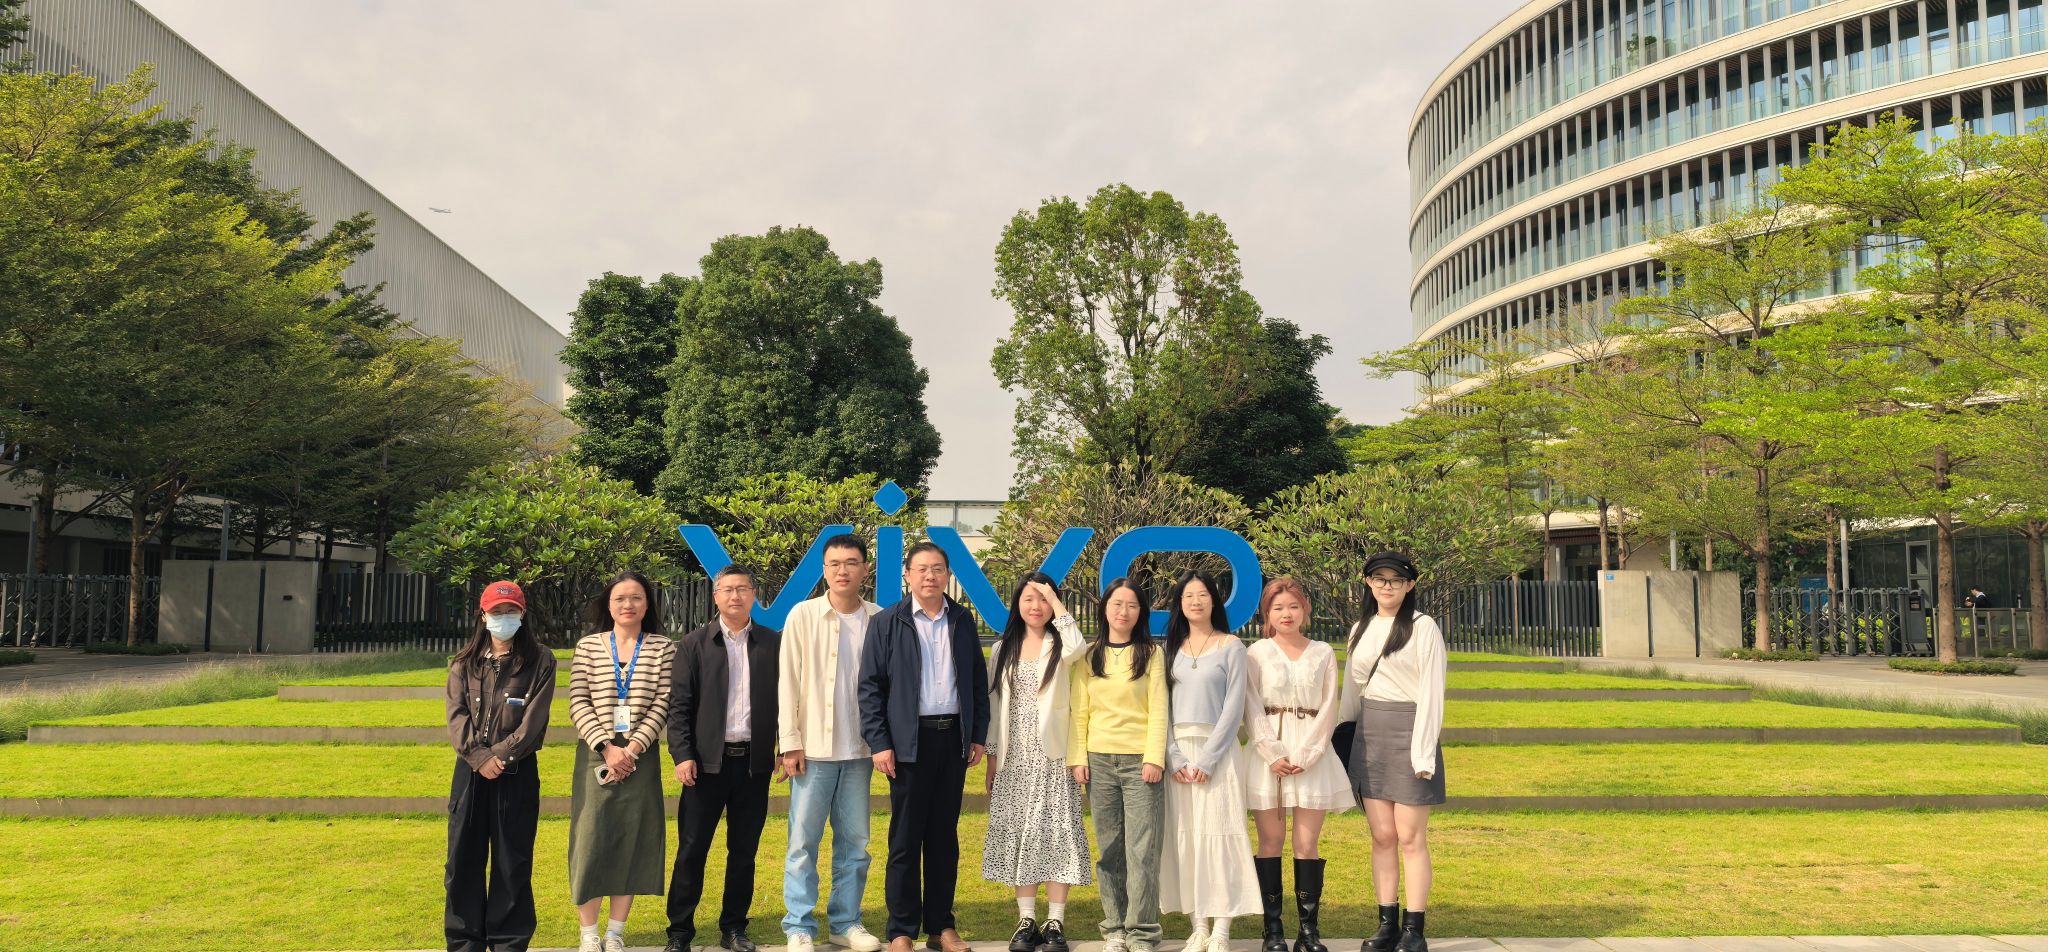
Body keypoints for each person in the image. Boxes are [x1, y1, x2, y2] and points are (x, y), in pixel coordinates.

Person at [858, 541, 990, 952]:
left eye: (937, 569)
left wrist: (977, 735)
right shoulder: (887, 622)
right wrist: (880, 742)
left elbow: (977, 682)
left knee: (943, 838)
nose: (930, 576)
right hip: (907, 744)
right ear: (908, 575)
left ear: (947, 574)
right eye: (922, 569)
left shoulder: (962, 620)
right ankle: (901, 929)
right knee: (904, 838)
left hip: (952, 740)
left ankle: (941, 927)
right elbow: (870, 688)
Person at [778, 534, 886, 952]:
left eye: (851, 563)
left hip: (859, 751)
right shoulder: (803, 615)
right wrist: (790, 741)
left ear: (865, 569)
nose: (843, 571)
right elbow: (788, 681)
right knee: (803, 843)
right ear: (824, 570)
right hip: (813, 751)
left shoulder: (879, 618)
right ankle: (798, 925)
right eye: (835, 563)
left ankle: (845, 922)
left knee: (855, 844)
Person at [665, 566, 781, 952]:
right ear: (716, 597)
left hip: (753, 765)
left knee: (744, 852)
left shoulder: (772, 643)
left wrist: (785, 747)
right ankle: (679, 932)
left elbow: (787, 701)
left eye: (742, 589)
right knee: (692, 850)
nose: (735, 596)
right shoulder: (694, 644)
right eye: (727, 590)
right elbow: (679, 707)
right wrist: (683, 755)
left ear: (754, 595)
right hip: (705, 766)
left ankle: (734, 928)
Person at [445, 580, 556, 952]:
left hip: (517, 772)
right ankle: (465, 942)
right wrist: (479, 758)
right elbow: (457, 716)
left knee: (512, 862)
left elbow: (534, 722)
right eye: (497, 611)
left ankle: (509, 942)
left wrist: (500, 756)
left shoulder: (541, 660)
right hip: (470, 773)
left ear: (523, 614)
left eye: (511, 611)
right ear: (483, 615)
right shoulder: (464, 663)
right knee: (462, 861)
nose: (504, 618)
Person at [982, 574, 1091, 952]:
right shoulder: (1003, 648)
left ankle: (1055, 921)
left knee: (1057, 833)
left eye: (1043, 599)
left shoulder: (1061, 645)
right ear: (1017, 603)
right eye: (1029, 598)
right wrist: (993, 757)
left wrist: (1056, 600)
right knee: (1020, 834)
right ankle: (1026, 920)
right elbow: (995, 706)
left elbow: (1079, 645)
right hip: (1014, 756)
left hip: (1054, 756)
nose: (1036, 606)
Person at [568, 571, 676, 952]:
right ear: (608, 605)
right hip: (595, 753)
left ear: (647, 604)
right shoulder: (588, 647)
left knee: (632, 838)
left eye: (636, 598)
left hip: (639, 756)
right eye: (620, 598)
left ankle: (615, 933)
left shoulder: (663, 648)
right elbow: (578, 701)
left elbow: (663, 702)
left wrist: (630, 750)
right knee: (590, 839)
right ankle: (589, 934)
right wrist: (606, 747)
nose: (628, 605)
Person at [1343, 552, 1446, 952]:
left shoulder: (1423, 627)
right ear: (1368, 582)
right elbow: (1352, 691)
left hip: (1410, 732)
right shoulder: (1360, 628)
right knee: (1382, 835)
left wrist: (1423, 754)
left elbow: (1432, 691)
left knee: (1410, 836)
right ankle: (1387, 925)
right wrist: (1343, 740)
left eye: (1396, 580)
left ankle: (1414, 931)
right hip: (1370, 735)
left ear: (1410, 585)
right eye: (1379, 578)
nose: (1387, 586)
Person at [1243, 578, 1351, 952]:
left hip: (1312, 754)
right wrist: (1272, 752)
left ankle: (1308, 932)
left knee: (1306, 842)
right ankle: (1272, 931)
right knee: (1270, 840)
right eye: (1278, 608)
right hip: (1267, 757)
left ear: (1305, 609)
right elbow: (1250, 706)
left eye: (1293, 606)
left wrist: (1308, 755)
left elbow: (1329, 706)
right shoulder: (1255, 653)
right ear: (1267, 614)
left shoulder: (1322, 653)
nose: (1286, 614)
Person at [1156, 571, 1259, 952]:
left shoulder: (1232, 646)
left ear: (1215, 600)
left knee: (1221, 835)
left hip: (1218, 753)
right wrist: (1175, 757)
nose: (1196, 602)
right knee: (1188, 841)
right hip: (1179, 756)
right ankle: (1198, 926)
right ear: (1180, 604)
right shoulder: (1171, 648)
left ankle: (1221, 930)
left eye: (1202, 595)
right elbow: (1162, 708)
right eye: (1188, 596)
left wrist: (1209, 759)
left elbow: (1234, 708)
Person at [1069, 577, 1168, 952]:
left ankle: (1142, 932)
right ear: (1104, 609)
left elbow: (1159, 710)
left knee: (1142, 850)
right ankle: (1114, 929)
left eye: (1131, 605)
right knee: (1110, 850)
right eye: (1116, 604)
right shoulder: (1089, 655)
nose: (1123, 611)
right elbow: (1080, 711)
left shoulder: (1152, 654)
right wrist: (1078, 757)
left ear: (1140, 612)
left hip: (1141, 763)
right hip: (1099, 762)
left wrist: (1154, 757)